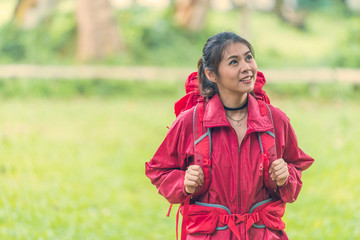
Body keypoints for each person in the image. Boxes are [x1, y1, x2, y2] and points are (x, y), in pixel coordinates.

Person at [145, 32, 314, 240]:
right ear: (211, 74)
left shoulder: (275, 120)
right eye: (234, 62)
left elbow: (296, 166)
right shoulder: (191, 122)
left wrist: (286, 175)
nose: (246, 67)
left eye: (248, 57)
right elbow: (159, 170)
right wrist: (184, 183)